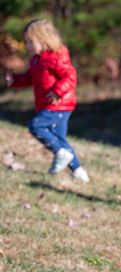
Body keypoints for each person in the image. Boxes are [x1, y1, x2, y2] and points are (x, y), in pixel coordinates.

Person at [5, 18, 89, 182]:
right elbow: (31, 78)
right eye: (26, 42)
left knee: (36, 126)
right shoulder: (36, 60)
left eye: (30, 42)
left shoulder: (55, 57)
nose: (28, 46)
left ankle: (61, 153)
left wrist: (58, 90)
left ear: (44, 39)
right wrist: (15, 80)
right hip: (48, 105)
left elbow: (70, 76)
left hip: (59, 105)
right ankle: (78, 172)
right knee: (59, 139)